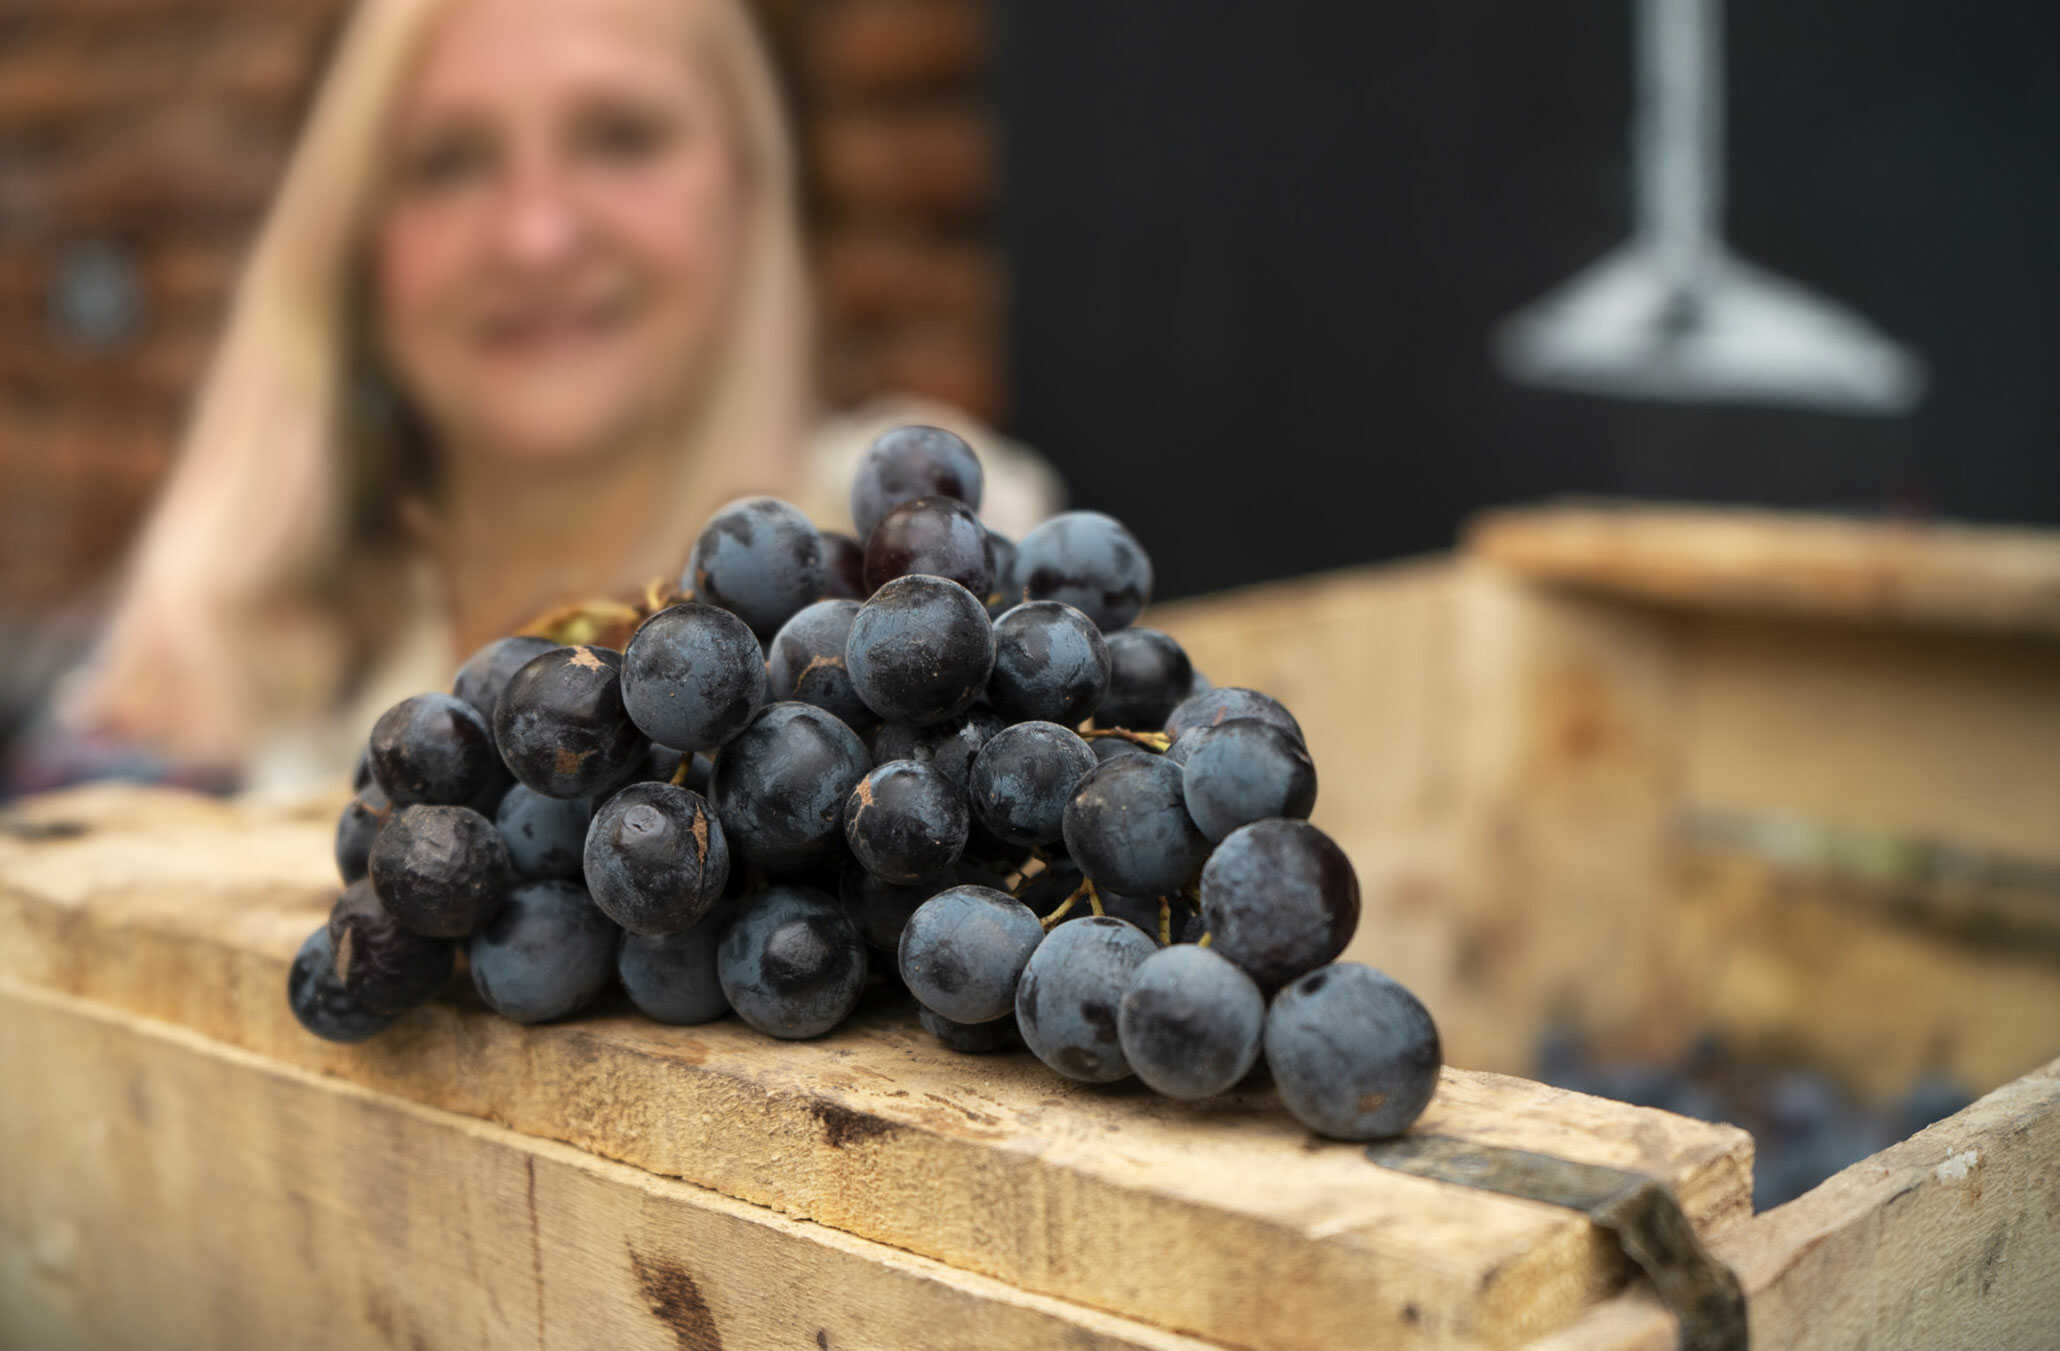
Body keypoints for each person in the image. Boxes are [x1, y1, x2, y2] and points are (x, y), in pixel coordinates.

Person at [40, 0, 1055, 797]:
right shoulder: (185, 685)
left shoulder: (927, 562)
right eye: (448, 162)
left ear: (755, 183)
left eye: (620, 136)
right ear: (350, 244)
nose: (536, 236)